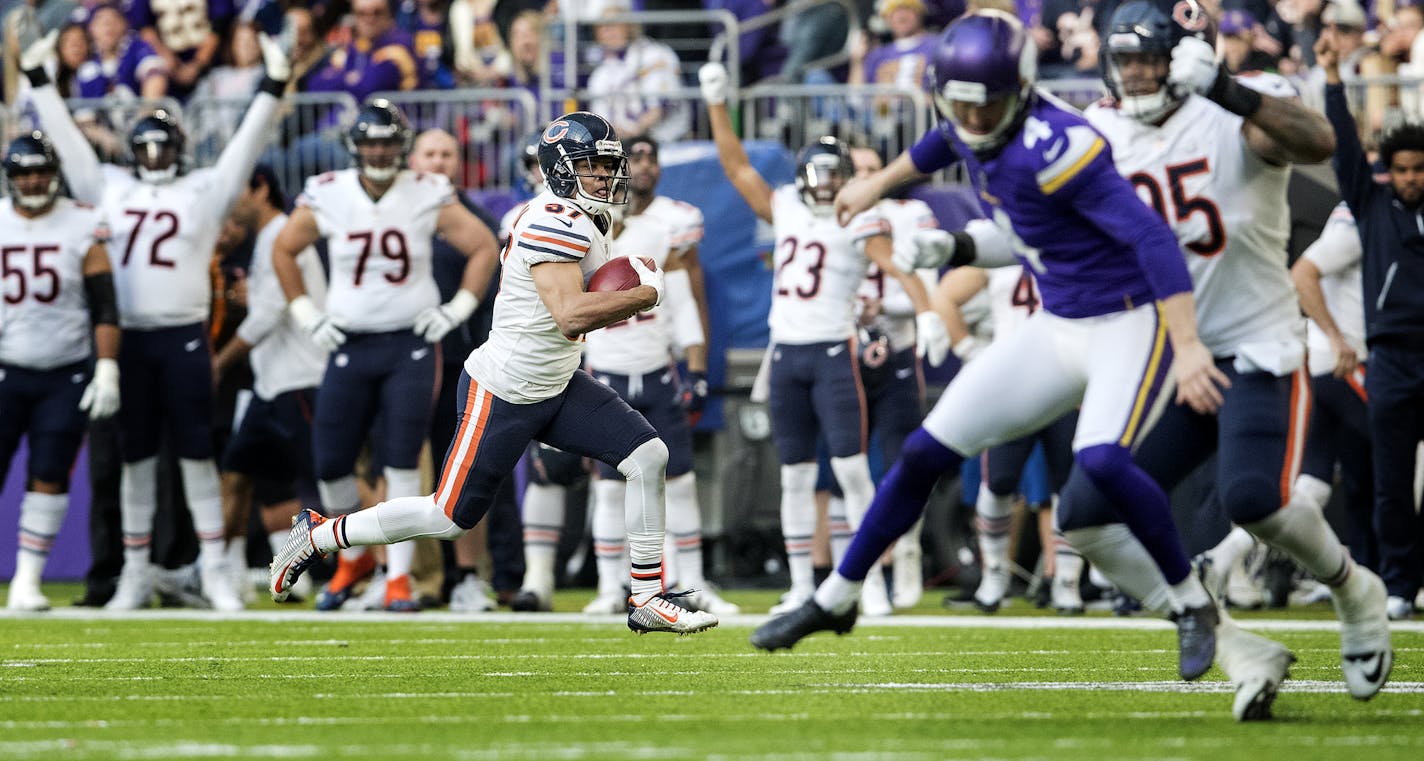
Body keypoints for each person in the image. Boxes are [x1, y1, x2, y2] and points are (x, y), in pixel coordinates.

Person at [740, 11, 1225, 683]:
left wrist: (1190, 343)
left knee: (1102, 460)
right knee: (920, 455)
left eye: (984, 103)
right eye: (960, 100)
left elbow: (1152, 240)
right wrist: (878, 183)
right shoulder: (973, 114)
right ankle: (837, 596)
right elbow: (942, 139)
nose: (971, 117)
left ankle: (1192, 601)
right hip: (1056, 323)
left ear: (1021, 90)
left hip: (1125, 319)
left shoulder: (1060, 147)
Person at [270, 111, 720, 636]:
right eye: (593, 166)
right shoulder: (554, 220)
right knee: (448, 516)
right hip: (505, 389)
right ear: (560, 170)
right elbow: (570, 315)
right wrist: (644, 293)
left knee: (648, 455)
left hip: (557, 380)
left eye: (607, 166)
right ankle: (321, 533)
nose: (606, 177)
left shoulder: (587, 217)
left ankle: (645, 596)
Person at [1067, 0, 1391, 714]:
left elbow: (1315, 144)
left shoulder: (1238, 106)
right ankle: (1240, 647)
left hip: (1256, 343)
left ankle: (1353, 588)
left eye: (1152, 58)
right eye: (1128, 60)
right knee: (1087, 510)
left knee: (1252, 496)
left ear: (1187, 56)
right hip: (1159, 356)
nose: (1140, 74)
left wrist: (1226, 87)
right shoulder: (1099, 129)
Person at [19, 9, 290, 611]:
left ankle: (215, 567)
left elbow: (243, 152)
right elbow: (66, 140)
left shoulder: (204, 190)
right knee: (136, 457)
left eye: (161, 145)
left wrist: (271, 89)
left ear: (179, 149)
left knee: (196, 452)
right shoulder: (108, 183)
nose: (152, 154)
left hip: (184, 338)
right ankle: (137, 569)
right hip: (132, 341)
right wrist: (39, 81)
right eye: (144, 145)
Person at [703, 64, 951, 618]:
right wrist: (717, 103)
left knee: (854, 472)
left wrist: (930, 312)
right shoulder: (787, 205)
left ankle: (875, 584)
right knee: (794, 476)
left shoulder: (859, 220)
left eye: (835, 174)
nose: (825, 183)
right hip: (787, 355)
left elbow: (903, 270)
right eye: (817, 172)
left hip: (835, 355)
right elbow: (736, 167)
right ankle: (800, 584)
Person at [268, 101, 499, 613]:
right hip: (350, 342)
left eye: (387, 142)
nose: (379, 151)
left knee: (400, 460)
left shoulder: (426, 191)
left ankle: (397, 580)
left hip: (409, 346)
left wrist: (457, 307)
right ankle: (351, 556)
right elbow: (283, 248)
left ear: (400, 145)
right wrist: (306, 313)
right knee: (329, 461)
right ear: (355, 146)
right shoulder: (329, 192)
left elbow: (484, 246)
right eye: (370, 142)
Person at [579, 134, 738, 618]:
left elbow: (684, 303)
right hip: (604, 372)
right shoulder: (578, 234)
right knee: (608, 486)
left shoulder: (661, 231)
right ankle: (612, 586)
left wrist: (694, 367)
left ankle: (690, 582)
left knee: (681, 481)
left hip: (655, 371)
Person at [1322, 30, 1424, 624]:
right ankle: (1399, 584)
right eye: (1402, 169)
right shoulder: (1371, 206)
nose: (1410, 178)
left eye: (1419, 169)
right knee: (1390, 484)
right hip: (1387, 361)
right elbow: (1342, 153)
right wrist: (1334, 79)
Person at [0, 132, 121, 611]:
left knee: (50, 473)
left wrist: (106, 368)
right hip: (6, 366)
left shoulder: (82, 223)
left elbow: (105, 305)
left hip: (64, 371)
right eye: (23, 173)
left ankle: (27, 580)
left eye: (40, 171)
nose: (32, 181)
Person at [406, 127, 524, 612]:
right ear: (413, 159)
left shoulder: (477, 221)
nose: (438, 161)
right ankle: (417, 578)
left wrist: (458, 315)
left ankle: (487, 575)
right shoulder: (396, 213)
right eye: (429, 152)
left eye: (446, 153)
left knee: (474, 468)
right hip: (406, 363)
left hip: (465, 358)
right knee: (407, 471)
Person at [936, 262, 1084, 614]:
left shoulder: (1066, 245)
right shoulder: (1000, 244)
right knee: (999, 480)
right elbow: (945, 296)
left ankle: (1067, 581)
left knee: (1068, 485)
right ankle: (995, 575)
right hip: (1013, 383)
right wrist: (970, 352)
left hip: (1064, 379)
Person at [211, 165, 327, 604]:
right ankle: (231, 571)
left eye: (238, 188)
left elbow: (271, 314)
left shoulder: (282, 233)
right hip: (270, 383)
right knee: (242, 474)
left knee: (335, 478)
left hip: (302, 377)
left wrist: (218, 363)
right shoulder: (268, 237)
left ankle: (371, 568)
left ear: (261, 189)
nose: (232, 200)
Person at [1289, 203, 1377, 576]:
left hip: (1330, 361)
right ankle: (1398, 573)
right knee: (1404, 459)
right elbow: (1303, 274)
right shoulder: (1359, 214)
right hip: (1346, 363)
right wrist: (1337, 338)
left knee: (1317, 481)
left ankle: (1230, 556)